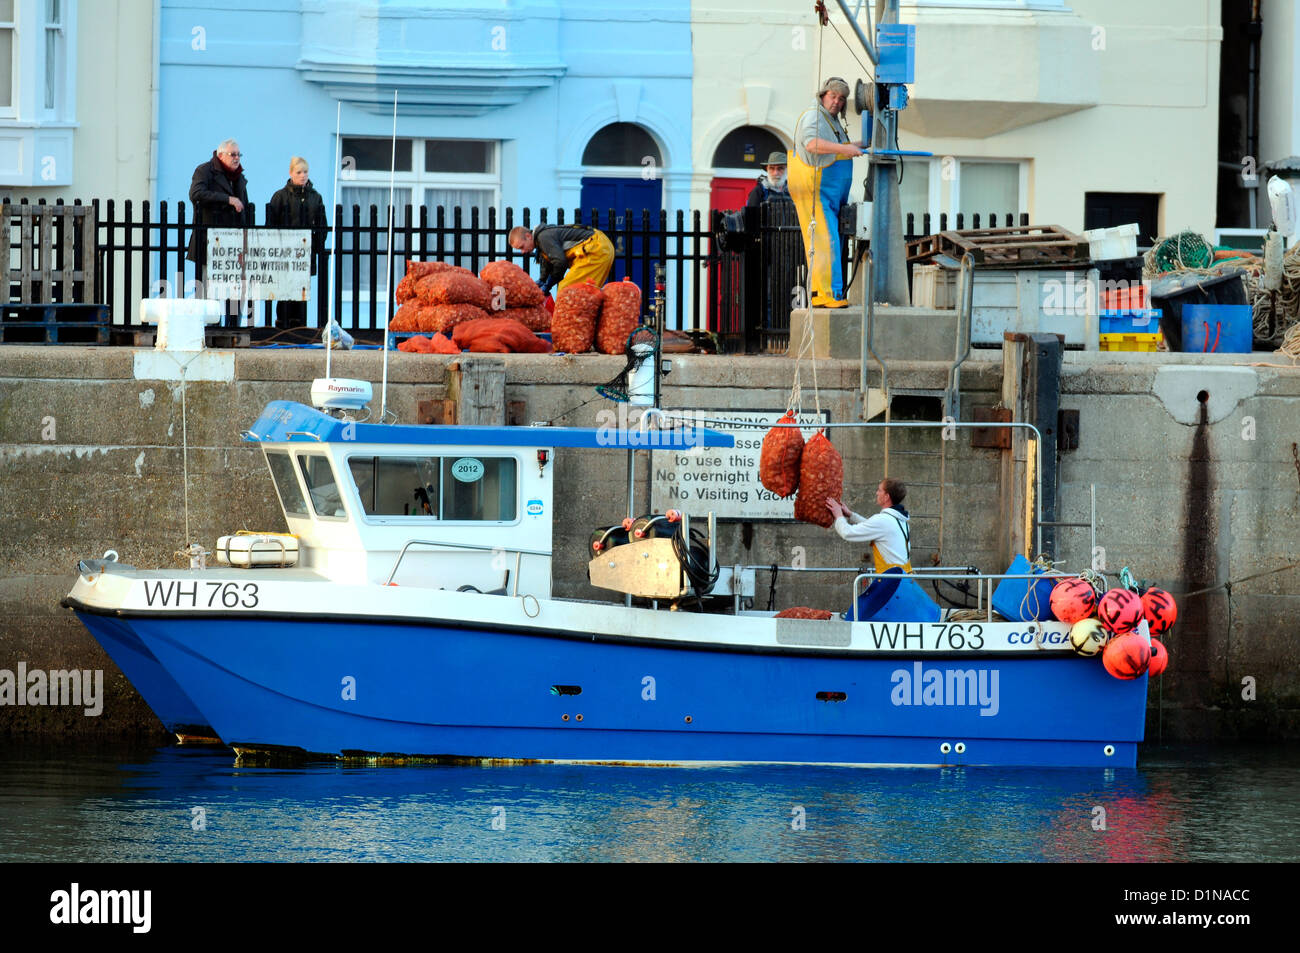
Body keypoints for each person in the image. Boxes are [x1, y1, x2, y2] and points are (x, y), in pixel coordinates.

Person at [789, 77, 866, 308]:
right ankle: (827, 294)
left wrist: (858, 144)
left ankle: (827, 291)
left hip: (831, 193)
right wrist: (845, 148)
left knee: (832, 241)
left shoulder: (831, 121)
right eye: (833, 96)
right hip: (817, 189)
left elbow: (835, 150)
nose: (837, 102)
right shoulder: (814, 115)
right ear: (823, 95)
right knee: (825, 240)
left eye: (841, 98)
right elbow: (811, 144)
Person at [187, 139, 254, 326]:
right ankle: (210, 332)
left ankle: (233, 330)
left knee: (235, 290)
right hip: (210, 242)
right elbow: (196, 194)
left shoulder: (239, 177)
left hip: (234, 245)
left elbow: (245, 209)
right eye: (233, 154)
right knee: (211, 291)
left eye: (239, 154)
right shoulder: (205, 170)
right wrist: (228, 199)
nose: (237, 158)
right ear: (220, 154)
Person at [265, 156, 328, 329]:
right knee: (284, 291)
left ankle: (300, 327)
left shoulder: (316, 197)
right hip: (283, 254)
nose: (303, 175)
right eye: (299, 172)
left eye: (305, 172)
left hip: (305, 253)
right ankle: (281, 326)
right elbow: (270, 227)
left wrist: (313, 247)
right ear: (291, 173)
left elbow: (322, 227)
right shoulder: (280, 196)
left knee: (301, 292)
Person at [825, 477, 913, 573]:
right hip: (903, 578)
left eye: (879, 490)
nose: (877, 493)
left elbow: (847, 533)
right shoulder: (900, 520)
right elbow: (874, 527)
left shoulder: (883, 520)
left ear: (886, 496)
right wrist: (851, 515)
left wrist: (838, 515)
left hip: (891, 581)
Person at [508, 224, 615, 295]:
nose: (523, 252)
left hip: (596, 249)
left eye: (522, 247)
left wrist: (548, 285)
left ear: (528, 236)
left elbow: (560, 262)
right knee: (587, 291)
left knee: (568, 290)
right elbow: (549, 261)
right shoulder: (541, 239)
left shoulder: (543, 237)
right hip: (598, 248)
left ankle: (573, 325)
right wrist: (542, 280)